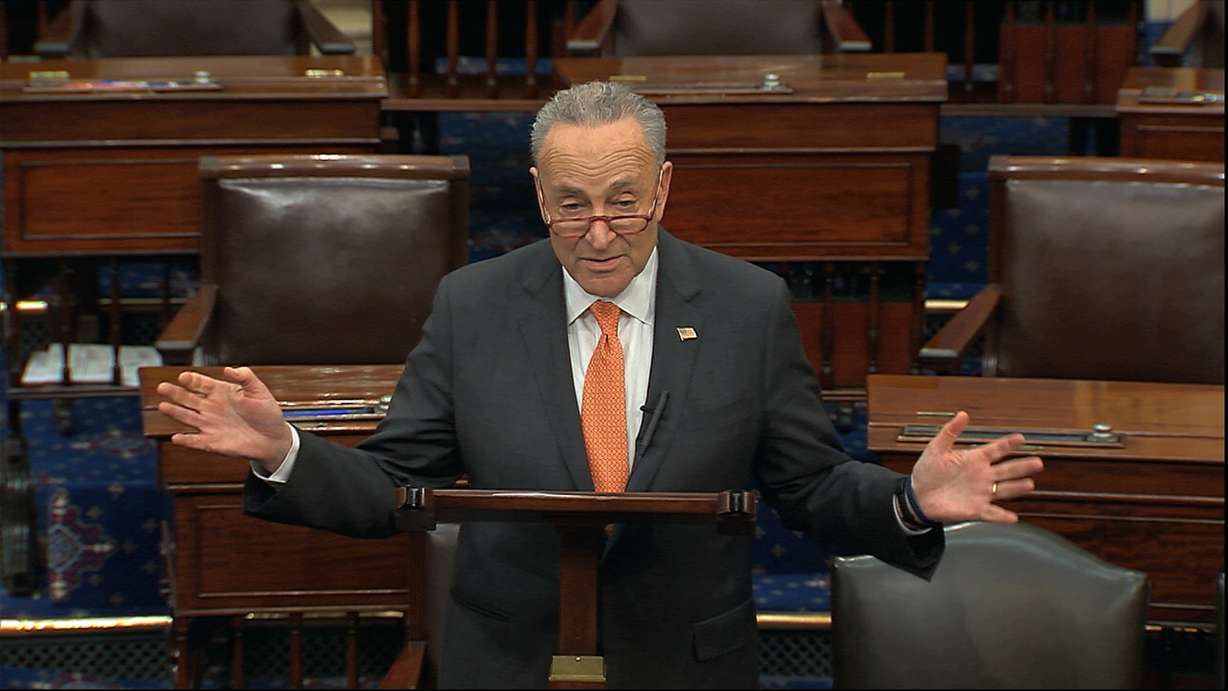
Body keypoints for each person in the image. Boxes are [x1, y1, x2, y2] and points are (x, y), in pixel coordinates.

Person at [155, 82, 1043, 689]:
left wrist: (913, 501)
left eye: (625, 199)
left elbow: (809, 486)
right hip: (508, 662)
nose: (601, 230)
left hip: (686, 660)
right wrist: (286, 452)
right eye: (573, 204)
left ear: (664, 185)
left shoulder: (746, 305)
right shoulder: (474, 304)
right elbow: (394, 483)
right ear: (539, 194)